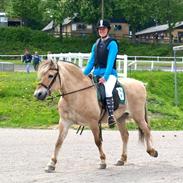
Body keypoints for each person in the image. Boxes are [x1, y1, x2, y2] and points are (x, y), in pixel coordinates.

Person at [83, 19, 119, 128]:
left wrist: (105, 77)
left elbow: (110, 62)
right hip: (96, 74)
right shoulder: (96, 44)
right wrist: (81, 76)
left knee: (108, 91)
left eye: (103, 29)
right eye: (100, 29)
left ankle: (111, 116)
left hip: (109, 74)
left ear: (108, 30)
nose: (101, 31)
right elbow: (90, 63)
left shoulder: (112, 43)